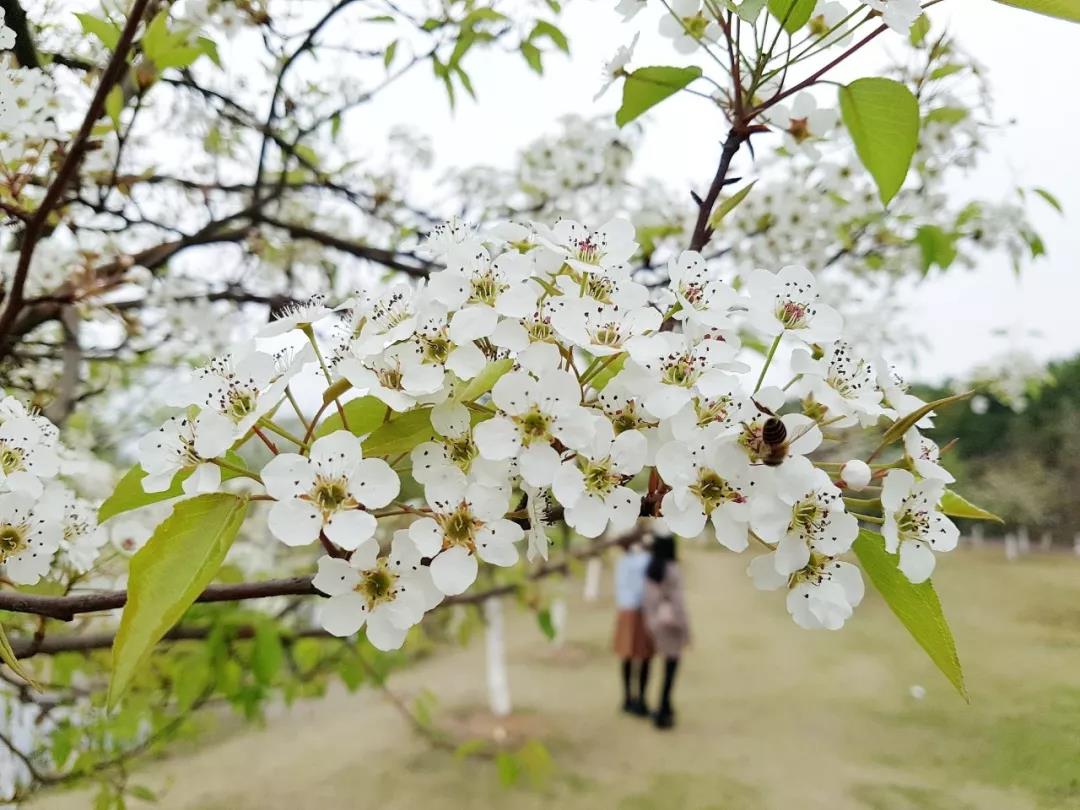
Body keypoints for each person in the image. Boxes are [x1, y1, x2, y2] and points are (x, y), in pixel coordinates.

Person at [641, 534, 690, 730]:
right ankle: (663, 709)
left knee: (650, 663)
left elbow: (648, 599)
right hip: (672, 626)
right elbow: (678, 604)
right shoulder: (672, 570)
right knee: (670, 669)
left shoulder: (651, 569)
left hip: (654, 623)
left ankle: (650, 703)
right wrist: (686, 631)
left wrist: (650, 621)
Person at [612, 532, 653, 717]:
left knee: (630, 656)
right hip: (639, 610)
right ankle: (637, 698)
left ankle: (630, 697)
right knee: (642, 657)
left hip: (629, 610)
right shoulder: (643, 560)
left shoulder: (624, 561)